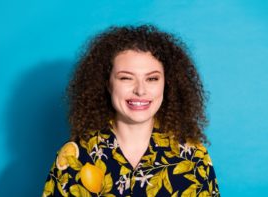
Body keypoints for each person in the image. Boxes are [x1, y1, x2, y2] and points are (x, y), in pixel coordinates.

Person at [42, 24, 220, 197]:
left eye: (152, 79)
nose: (140, 90)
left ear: (166, 84)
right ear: (108, 84)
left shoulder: (193, 157)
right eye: (126, 78)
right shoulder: (75, 157)